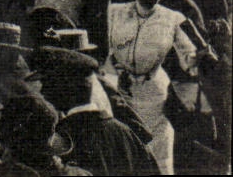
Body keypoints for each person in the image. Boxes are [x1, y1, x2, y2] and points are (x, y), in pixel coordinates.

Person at [105, 0, 199, 174]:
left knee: (157, 159)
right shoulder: (115, 13)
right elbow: (103, 49)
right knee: (122, 157)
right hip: (119, 93)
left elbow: (189, 57)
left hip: (155, 98)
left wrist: (197, 60)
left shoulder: (172, 19)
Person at [33, 47, 159, 175]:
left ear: (62, 91)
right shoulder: (125, 132)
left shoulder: (60, 138)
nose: (42, 92)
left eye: (46, 84)